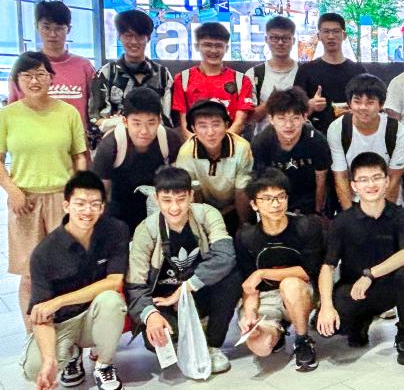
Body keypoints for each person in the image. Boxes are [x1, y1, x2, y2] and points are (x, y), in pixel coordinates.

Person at [21, 172, 129, 390]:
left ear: (102, 207)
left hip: (95, 318)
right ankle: (71, 355)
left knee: (111, 300)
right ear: (66, 206)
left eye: (94, 204)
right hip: (63, 323)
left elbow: (114, 281)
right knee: (34, 368)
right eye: (80, 204)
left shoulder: (115, 231)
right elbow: (41, 314)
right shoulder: (44, 253)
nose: (87, 211)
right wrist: (49, 360)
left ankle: (104, 365)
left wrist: (59, 300)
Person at [126, 166, 242, 375]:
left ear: (191, 196)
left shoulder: (207, 214)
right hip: (165, 300)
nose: (174, 208)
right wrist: (150, 315)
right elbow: (135, 285)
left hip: (199, 291)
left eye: (180, 199)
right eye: (167, 200)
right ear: (156, 199)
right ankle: (185, 341)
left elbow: (226, 255)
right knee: (158, 340)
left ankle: (212, 344)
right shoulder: (146, 230)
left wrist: (187, 287)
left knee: (232, 277)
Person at [0, 52, 88, 326]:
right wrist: (12, 190)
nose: (34, 81)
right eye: (27, 75)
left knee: (67, 270)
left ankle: (68, 332)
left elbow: (79, 156)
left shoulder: (68, 113)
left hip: (62, 199)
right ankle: (34, 335)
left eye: (40, 74)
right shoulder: (7, 115)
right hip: (24, 202)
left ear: (51, 77)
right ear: (16, 80)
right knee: (29, 274)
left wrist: (77, 194)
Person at [317, 153, 404, 365]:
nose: (371, 185)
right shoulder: (342, 221)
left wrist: (370, 275)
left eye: (376, 178)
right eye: (363, 180)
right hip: (354, 289)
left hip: (388, 287)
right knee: (331, 329)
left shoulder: (400, 216)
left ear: (387, 181)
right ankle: (360, 321)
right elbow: (328, 266)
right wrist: (326, 306)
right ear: (354, 186)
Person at [235, 170, 324, 372]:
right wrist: (250, 314)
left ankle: (302, 340)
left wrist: (262, 273)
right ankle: (277, 333)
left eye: (280, 197)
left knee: (289, 284)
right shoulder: (246, 237)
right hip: (266, 297)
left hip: (300, 291)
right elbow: (249, 286)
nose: (275, 204)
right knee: (260, 346)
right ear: (254, 204)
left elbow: (308, 271)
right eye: (267, 199)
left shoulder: (306, 226)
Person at [91, 87, 183, 230]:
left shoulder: (170, 140)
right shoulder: (110, 146)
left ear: (159, 121)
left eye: (151, 123)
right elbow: (101, 195)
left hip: (159, 208)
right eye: (136, 123)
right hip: (118, 209)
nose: (144, 131)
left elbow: (178, 186)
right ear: (125, 121)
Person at [9, 1, 95, 132]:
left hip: (76, 142)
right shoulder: (23, 67)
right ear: (37, 27)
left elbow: (95, 110)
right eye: (46, 27)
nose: (53, 34)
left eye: (59, 28)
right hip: (33, 140)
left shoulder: (84, 67)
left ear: (69, 29)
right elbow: (12, 111)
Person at [328, 74, 404, 209]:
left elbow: (394, 178)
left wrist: (383, 215)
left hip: (389, 201)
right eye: (357, 101)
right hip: (354, 202)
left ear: (381, 105)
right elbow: (341, 177)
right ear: (349, 103)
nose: (363, 107)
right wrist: (349, 215)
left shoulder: (398, 131)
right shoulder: (338, 128)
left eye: (370, 102)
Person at [175, 100, 253, 234]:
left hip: (235, 207)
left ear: (226, 125)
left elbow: (242, 191)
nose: (210, 132)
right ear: (193, 129)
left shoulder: (242, 148)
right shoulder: (186, 152)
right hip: (205, 207)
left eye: (216, 124)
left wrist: (243, 226)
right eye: (202, 126)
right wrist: (202, 226)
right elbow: (194, 192)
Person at [251, 88, 331, 217]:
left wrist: (317, 212)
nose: (288, 125)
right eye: (281, 118)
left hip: (308, 200)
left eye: (295, 118)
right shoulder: (261, 143)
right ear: (271, 119)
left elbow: (321, 179)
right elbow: (260, 183)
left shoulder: (316, 140)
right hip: (275, 201)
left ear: (305, 117)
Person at [90, 9, 173, 131]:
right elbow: (96, 119)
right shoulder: (106, 73)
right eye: (128, 36)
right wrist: (123, 124)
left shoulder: (162, 75)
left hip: (153, 139)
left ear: (148, 38)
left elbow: (167, 119)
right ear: (119, 37)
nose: (134, 42)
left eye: (139, 36)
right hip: (115, 139)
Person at [171, 22, 254, 136]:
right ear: (197, 46)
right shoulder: (182, 79)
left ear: (226, 48)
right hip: (194, 143)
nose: (213, 50)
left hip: (230, 143)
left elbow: (240, 122)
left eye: (219, 45)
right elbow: (184, 123)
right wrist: (199, 144)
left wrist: (221, 143)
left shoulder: (242, 80)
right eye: (208, 45)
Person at [293, 13, 367, 134]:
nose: (331, 36)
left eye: (336, 31)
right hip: (316, 136)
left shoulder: (358, 70)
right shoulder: (306, 70)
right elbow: (293, 111)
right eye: (326, 31)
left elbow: (369, 104)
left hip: (353, 134)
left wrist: (357, 109)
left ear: (344, 35)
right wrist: (311, 105)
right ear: (319, 36)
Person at [244, 16, 299, 138]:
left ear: (293, 40)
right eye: (274, 38)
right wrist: (271, 102)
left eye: (285, 38)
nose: (280, 43)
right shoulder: (254, 74)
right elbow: (249, 118)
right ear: (266, 39)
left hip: (299, 141)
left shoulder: (304, 71)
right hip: (264, 141)